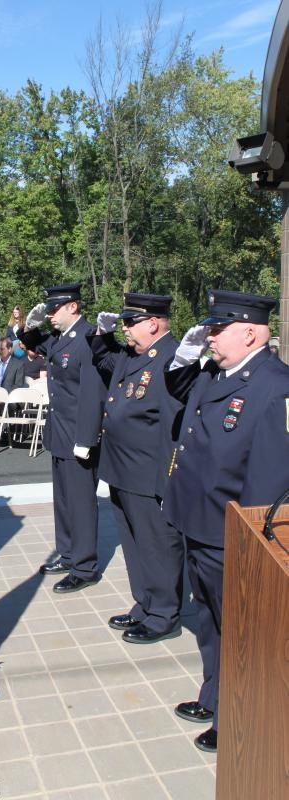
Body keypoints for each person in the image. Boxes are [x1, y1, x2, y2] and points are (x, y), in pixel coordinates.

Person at [162, 289, 289, 754]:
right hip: (197, 521)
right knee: (211, 620)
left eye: (219, 329)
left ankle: (239, 712)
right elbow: (174, 389)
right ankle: (214, 695)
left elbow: (271, 480)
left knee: (241, 630)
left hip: (232, 531)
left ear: (251, 332)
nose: (210, 337)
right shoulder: (214, 372)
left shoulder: (276, 385)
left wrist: (251, 543)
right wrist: (191, 351)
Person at [90, 294, 185, 644]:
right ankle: (144, 604)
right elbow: (102, 357)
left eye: (130, 323)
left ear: (154, 323)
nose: (125, 329)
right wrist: (102, 334)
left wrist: (167, 478)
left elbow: (174, 427)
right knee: (133, 541)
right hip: (122, 468)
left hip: (148, 472)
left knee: (156, 543)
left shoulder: (173, 359)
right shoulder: (135, 355)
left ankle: (163, 614)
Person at [18, 283, 106, 593]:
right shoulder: (61, 338)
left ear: (73, 307)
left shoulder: (90, 339)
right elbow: (33, 343)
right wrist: (28, 325)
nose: (50, 314)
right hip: (60, 432)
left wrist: (87, 437)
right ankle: (67, 553)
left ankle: (85, 566)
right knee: (64, 500)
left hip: (79, 435)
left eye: (55, 309)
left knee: (81, 503)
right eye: (49, 309)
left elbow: (93, 393)